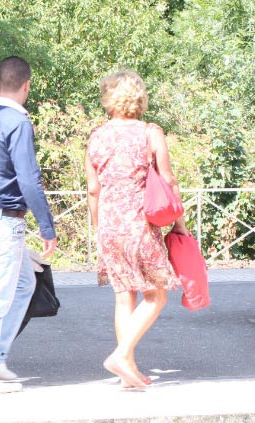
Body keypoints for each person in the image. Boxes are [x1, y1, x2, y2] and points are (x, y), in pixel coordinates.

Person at [85, 70, 187, 389]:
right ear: (139, 98)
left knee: (123, 296)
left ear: (109, 98)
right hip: (138, 223)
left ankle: (126, 373)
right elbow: (168, 179)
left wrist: (98, 229)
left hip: (109, 224)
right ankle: (121, 355)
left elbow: (93, 189)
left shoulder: (97, 136)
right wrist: (180, 224)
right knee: (156, 294)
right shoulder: (150, 133)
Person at [0, 56, 57, 393]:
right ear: (27, 86)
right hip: (6, 220)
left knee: (23, 285)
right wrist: (46, 226)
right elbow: (29, 178)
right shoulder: (18, 122)